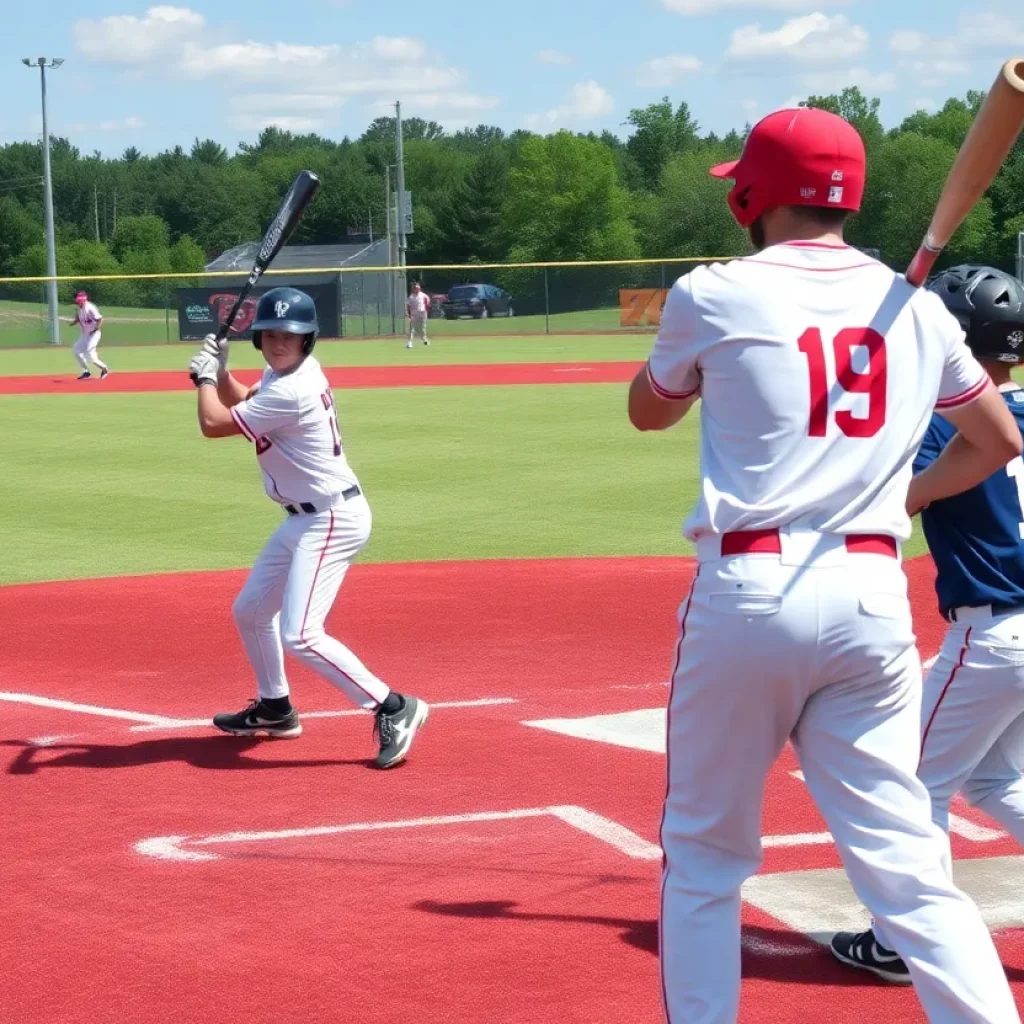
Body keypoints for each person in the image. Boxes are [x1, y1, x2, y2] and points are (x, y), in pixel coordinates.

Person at [628, 107, 1023, 1023]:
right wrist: (910, 495)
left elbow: (650, 412)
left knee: (704, 855)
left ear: (754, 193)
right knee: (909, 872)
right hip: (872, 596)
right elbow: (996, 438)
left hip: (750, 591)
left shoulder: (711, 291)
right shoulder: (914, 306)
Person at [831, 264, 1024, 983]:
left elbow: (882, 491)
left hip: (995, 632)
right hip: (1016, 630)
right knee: (999, 780)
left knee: (914, 784)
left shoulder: (947, 425)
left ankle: (901, 940)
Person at [186, 286, 429, 769]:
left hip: (330, 519)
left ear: (307, 339)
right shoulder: (285, 375)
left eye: (290, 336)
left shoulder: (294, 388)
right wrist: (224, 373)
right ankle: (275, 708)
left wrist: (204, 378)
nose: (279, 342)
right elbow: (244, 403)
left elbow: (214, 423)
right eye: (271, 334)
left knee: (301, 633)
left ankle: (394, 706)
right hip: (305, 518)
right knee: (252, 610)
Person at [70, 290, 109, 380]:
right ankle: (86, 372)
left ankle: (104, 369)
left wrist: (95, 329)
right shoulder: (80, 308)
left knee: (91, 356)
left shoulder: (90, 307)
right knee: (76, 350)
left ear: (80, 300)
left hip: (94, 334)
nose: (75, 302)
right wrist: (72, 322)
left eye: (76, 300)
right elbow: (79, 318)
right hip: (85, 334)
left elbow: (100, 319)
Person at [406, 282, 430, 349]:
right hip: (414, 314)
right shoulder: (411, 297)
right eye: (414, 288)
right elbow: (408, 306)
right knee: (412, 328)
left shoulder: (424, 295)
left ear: (419, 288)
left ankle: (424, 339)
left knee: (422, 328)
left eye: (416, 288)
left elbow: (428, 303)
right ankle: (409, 342)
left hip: (422, 314)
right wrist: (408, 314)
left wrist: (426, 311)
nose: (415, 289)